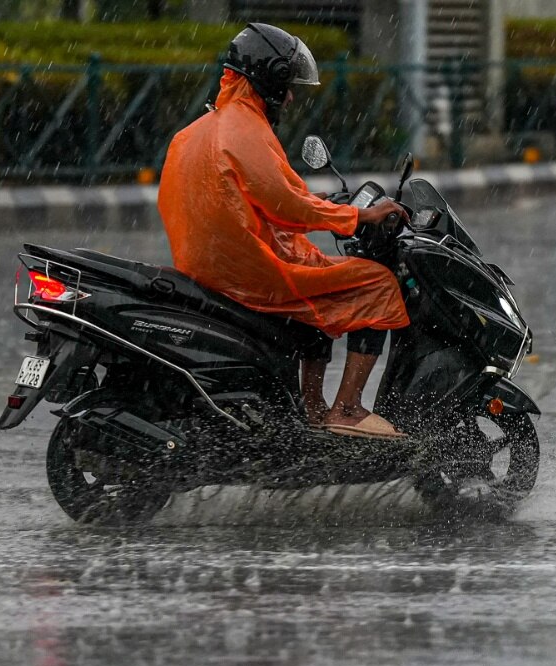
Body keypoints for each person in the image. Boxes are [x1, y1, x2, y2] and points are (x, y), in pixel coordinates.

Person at [157, 23, 411, 439]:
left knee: (319, 276)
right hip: (247, 273)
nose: (291, 97)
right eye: (288, 86)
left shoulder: (197, 130)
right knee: (377, 284)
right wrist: (358, 217)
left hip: (207, 266)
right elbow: (287, 205)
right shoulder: (245, 130)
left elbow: (267, 200)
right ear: (270, 81)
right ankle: (345, 409)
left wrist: (321, 213)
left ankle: (311, 407)